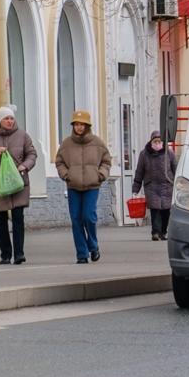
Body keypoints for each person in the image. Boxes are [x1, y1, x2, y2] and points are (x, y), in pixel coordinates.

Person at [0, 105, 39, 265]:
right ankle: (5, 254)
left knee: (18, 218)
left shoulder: (23, 135)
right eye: (6, 118)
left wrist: (25, 165)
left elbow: (32, 154)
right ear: (0, 120)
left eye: (12, 118)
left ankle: (19, 254)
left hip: (18, 182)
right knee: (1, 220)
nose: (10, 121)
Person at [55, 110, 114, 263]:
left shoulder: (98, 143)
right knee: (76, 220)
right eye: (76, 124)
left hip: (92, 186)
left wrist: (100, 174)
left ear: (88, 126)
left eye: (82, 124)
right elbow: (59, 162)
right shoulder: (66, 144)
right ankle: (82, 254)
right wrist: (66, 175)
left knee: (88, 216)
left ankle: (93, 246)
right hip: (73, 186)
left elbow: (106, 161)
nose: (79, 127)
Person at [133, 130, 177, 240]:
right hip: (151, 187)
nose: (157, 143)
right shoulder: (144, 154)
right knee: (155, 210)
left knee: (166, 212)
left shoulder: (169, 153)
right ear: (151, 142)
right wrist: (135, 189)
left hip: (167, 186)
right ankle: (155, 233)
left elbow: (175, 169)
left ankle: (163, 232)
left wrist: (179, 184)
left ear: (163, 142)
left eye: (159, 141)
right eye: (155, 141)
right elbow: (139, 172)